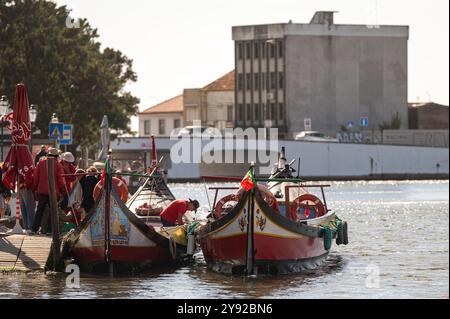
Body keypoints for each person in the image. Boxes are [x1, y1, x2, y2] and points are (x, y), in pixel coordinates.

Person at [31, 148, 67, 234]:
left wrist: (34, 189)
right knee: (53, 211)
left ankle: (34, 229)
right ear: (56, 156)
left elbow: (36, 178)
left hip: (42, 191)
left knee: (40, 210)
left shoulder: (40, 164)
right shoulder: (58, 165)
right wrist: (64, 192)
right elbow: (60, 181)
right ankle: (50, 230)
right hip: (54, 192)